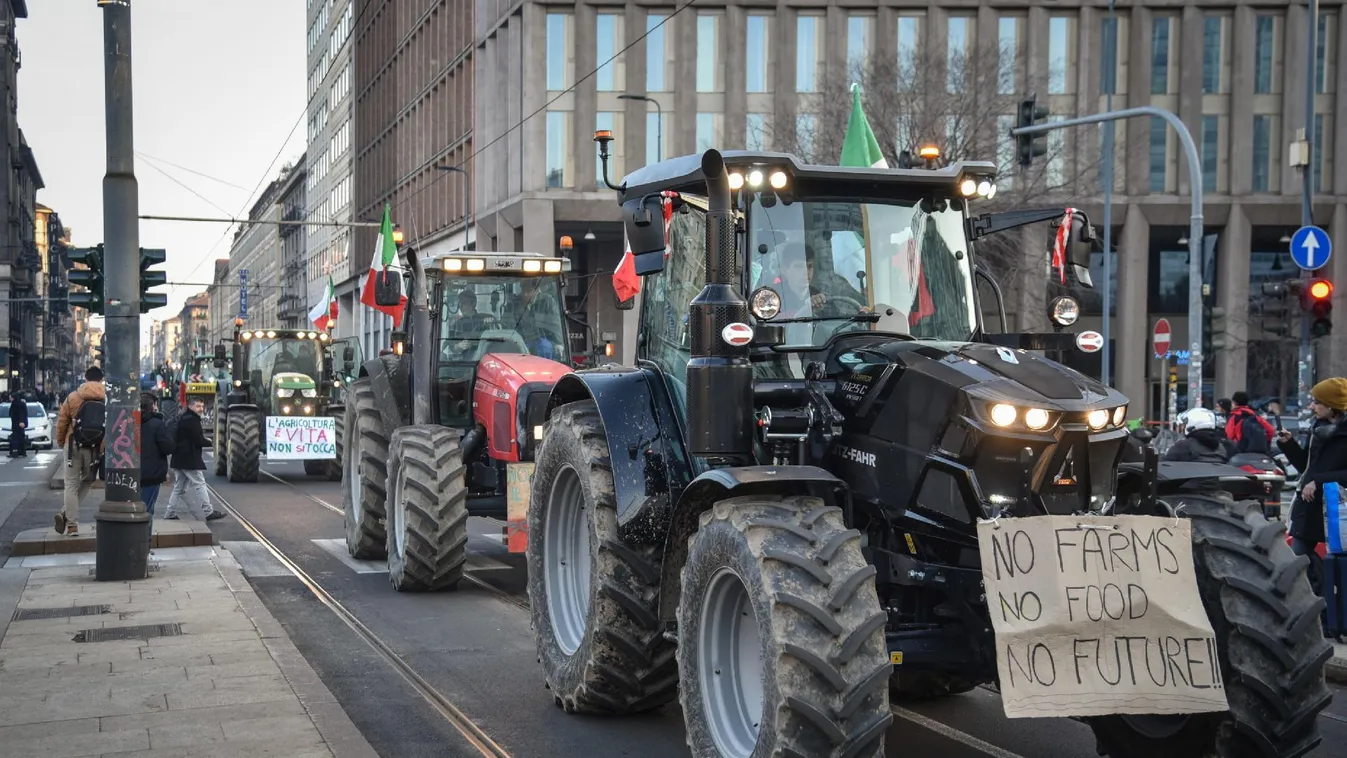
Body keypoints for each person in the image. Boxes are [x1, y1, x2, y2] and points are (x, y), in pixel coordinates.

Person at [1276, 378, 1347, 593]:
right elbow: (1306, 468)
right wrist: (1289, 445)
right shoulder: (1318, 430)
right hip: (1309, 511)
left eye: (1317, 402)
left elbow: (1321, 475)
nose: (1311, 407)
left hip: (1339, 513)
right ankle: (1310, 615)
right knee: (1296, 566)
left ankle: (1335, 620)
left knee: (1339, 572)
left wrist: (1320, 480)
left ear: (1332, 406)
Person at [54, 367, 107, 537]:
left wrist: (61, 441)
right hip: (94, 447)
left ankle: (71, 524)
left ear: (85, 378)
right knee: (89, 478)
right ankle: (66, 513)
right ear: (101, 379)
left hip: (73, 445)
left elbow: (62, 422)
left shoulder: (73, 397)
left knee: (70, 484)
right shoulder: (108, 398)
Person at [164, 397, 225, 521]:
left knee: (178, 487)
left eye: (202, 406)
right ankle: (208, 512)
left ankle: (170, 513)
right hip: (189, 459)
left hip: (179, 458)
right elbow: (197, 439)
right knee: (200, 484)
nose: (201, 409)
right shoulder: (192, 420)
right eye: (198, 406)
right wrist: (210, 443)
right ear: (190, 406)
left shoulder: (183, 417)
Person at [139, 393, 175, 543]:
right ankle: (144, 542)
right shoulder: (157, 424)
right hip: (151, 474)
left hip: (131, 474)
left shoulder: (130, 422)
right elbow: (168, 447)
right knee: (147, 509)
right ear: (153, 406)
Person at [1164, 408, 1235, 463]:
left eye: (1182, 426)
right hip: (1219, 481)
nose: (1180, 430)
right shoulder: (1227, 445)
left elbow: (1165, 467)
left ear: (1191, 424)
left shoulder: (1182, 446)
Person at [7, 390, 28, 458]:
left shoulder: (15, 404)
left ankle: (15, 452)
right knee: (21, 437)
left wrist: (20, 421)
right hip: (21, 423)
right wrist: (23, 421)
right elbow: (25, 413)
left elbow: (19, 413)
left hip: (16, 423)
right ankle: (23, 452)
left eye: (11, 397)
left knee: (15, 438)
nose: (10, 399)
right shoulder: (22, 403)